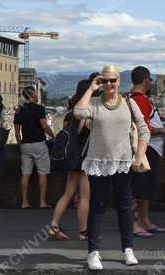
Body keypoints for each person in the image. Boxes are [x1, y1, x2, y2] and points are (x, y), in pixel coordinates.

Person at [74, 66, 150, 271]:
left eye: (112, 80)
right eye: (104, 81)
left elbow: (144, 129)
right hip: (98, 162)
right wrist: (91, 88)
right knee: (97, 206)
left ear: (119, 81)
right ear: (100, 82)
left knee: (124, 207)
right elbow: (78, 112)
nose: (108, 84)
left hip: (123, 162)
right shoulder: (94, 103)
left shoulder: (129, 102)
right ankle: (93, 252)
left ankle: (128, 249)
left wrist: (140, 154)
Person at [126, 66, 165, 237]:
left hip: (145, 147)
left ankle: (144, 220)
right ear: (146, 80)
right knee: (139, 188)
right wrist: (163, 130)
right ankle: (135, 223)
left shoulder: (132, 97)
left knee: (144, 188)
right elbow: (142, 125)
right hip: (147, 148)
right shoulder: (141, 99)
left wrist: (161, 118)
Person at [47, 79, 92, 241]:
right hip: (83, 159)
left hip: (71, 159)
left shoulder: (71, 113)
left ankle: (54, 224)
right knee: (85, 197)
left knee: (67, 194)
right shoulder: (86, 114)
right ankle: (83, 231)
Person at [15, 85, 54, 209]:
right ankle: (42, 202)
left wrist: (20, 144)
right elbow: (44, 126)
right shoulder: (39, 109)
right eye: (36, 93)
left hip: (26, 144)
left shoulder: (19, 110)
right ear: (32, 95)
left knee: (25, 173)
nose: (37, 95)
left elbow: (17, 132)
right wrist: (53, 136)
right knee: (42, 173)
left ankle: (24, 202)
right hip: (39, 144)